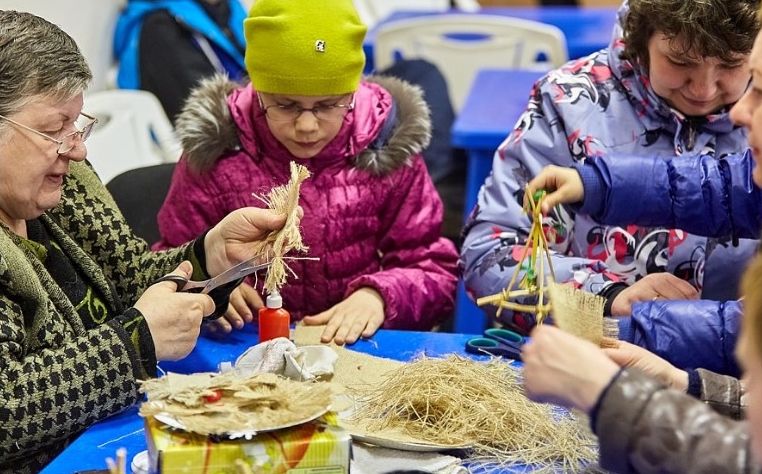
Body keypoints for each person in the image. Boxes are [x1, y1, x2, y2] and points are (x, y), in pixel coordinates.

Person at [0, 10, 296, 473]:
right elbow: (6, 410)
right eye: (55, 129)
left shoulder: (65, 185)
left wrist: (209, 256)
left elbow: (130, 278)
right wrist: (135, 343)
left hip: (112, 431)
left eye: (78, 124)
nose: (77, 149)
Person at [523, 1, 762, 472]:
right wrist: (599, 184)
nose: (737, 110)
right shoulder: (564, 101)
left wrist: (619, 377)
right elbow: (719, 188)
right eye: (681, 62)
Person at [153, 0, 459, 345]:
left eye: (329, 105)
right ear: (257, 89)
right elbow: (168, 259)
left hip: (354, 347)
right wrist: (208, 282)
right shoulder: (216, 151)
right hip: (243, 344)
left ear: (352, 93)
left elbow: (433, 267)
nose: (307, 125)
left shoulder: (386, 147)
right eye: (285, 105)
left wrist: (378, 296)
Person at [460, 0, 761, 336]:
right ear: (644, 36)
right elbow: (488, 255)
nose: (703, 88)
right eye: (680, 61)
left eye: (731, 64)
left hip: (744, 372)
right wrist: (605, 296)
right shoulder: (568, 103)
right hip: (587, 363)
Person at [114, 0, 248, 123]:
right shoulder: (160, 26)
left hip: (244, 111)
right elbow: (207, 106)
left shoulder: (225, 8)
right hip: (211, 132)